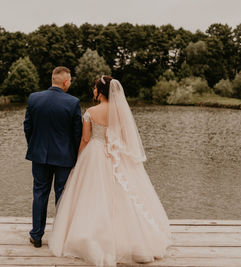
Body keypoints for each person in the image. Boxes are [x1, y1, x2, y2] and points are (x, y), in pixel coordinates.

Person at [48, 76, 172, 266]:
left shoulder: (90, 112)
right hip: (115, 154)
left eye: (94, 87)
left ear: (99, 91)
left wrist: (79, 160)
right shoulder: (120, 112)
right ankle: (130, 237)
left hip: (94, 154)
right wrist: (114, 148)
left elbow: (85, 139)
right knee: (122, 194)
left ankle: (91, 235)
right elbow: (123, 137)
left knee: (92, 194)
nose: (92, 90)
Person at [23, 66, 83, 248]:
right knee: (62, 196)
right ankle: (60, 235)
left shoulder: (34, 98)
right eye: (70, 80)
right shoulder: (72, 102)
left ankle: (37, 235)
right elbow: (77, 134)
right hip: (64, 158)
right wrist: (75, 156)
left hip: (39, 155)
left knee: (39, 193)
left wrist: (35, 146)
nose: (70, 83)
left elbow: (27, 127)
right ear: (65, 82)